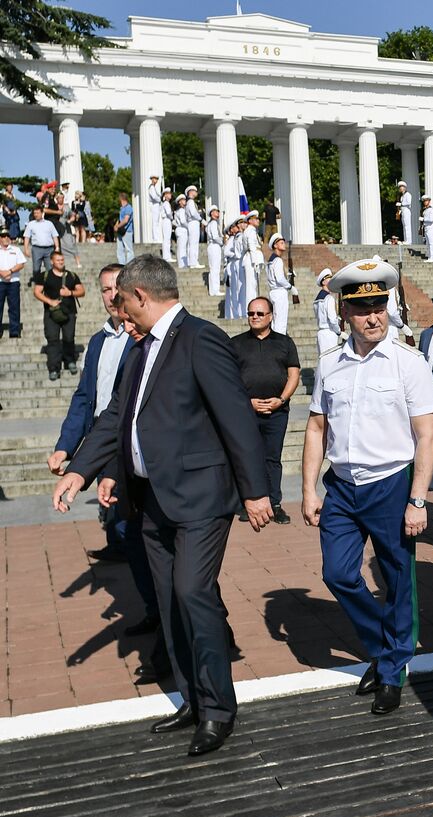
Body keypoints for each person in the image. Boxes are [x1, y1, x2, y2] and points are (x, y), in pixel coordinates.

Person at [52, 254, 273, 756]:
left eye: (123, 300)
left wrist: (256, 490)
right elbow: (116, 418)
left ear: (142, 296)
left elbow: (235, 415)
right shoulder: (139, 349)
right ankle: (193, 700)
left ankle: (218, 709)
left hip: (200, 496)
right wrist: (83, 470)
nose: (119, 310)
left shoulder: (201, 337)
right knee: (170, 599)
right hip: (151, 499)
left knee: (193, 592)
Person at [302, 258, 433, 716]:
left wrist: (418, 499)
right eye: (362, 309)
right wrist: (307, 489)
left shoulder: (408, 363)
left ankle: (392, 670)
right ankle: (385, 650)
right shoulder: (330, 366)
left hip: (391, 484)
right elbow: (317, 429)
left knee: (399, 581)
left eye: (379, 304)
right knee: (337, 574)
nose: (373, 316)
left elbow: (426, 436)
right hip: (341, 486)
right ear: (344, 313)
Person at [49, 262, 164, 664]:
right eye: (104, 289)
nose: (111, 296)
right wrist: (67, 448)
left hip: (132, 450)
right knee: (130, 537)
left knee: (149, 541)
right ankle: (157, 614)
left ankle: (174, 622)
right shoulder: (99, 341)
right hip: (103, 443)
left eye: (117, 288)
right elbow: (86, 399)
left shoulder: (146, 338)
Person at [231, 297, 300, 526]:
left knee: (272, 458)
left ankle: (275, 503)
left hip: (276, 412)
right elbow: (229, 379)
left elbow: (293, 375)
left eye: (260, 313)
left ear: (270, 316)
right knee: (247, 457)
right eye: (251, 313)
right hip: (245, 411)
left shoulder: (284, 343)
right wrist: (246, 402)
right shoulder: (236, 344)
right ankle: (248, 501)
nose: (255, 317)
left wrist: (281, 399)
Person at [33, 251, 84, 381]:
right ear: (51, 261)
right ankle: (54, 368)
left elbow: (81, 291)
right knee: (53, 340)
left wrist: (70, 293)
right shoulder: (44, 276)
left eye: (62, 260)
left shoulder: (72, 275)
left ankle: (69, 361)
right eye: (58, 260)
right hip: (51, 313)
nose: (61, 262)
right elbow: (37, 292)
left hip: (70, 312)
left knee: (69, 337)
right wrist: (50, 301)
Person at [0, 230, 25, 338]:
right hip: (0, 281)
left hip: (13, 282)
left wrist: (10, 271)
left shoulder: (16, 249)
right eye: (3, 236)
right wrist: (2, 273)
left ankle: (14, 330)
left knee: (14, 307)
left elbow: (21, 263)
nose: (6, 238)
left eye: (8, 236)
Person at [265, 235, 292, 334]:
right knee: (281, 322)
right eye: (281, 243)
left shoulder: (271, 260)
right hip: (279, 292)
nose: (284, 244)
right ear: (275, 245)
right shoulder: (278, 260)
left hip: (273, 292)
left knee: (275, 322)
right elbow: (280, 279)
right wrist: (290, 286)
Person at [23, 209, 59, 279]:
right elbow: (26, 237)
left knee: (50, 268)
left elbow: (54, 235)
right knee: (36, 268)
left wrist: (57, 247)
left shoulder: (49, 223)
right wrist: (26, 249)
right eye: (35, 213)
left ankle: (49, 284)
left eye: (37, 213)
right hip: (37, 249)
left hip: (49, 249)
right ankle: (37, 284)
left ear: (42, 213)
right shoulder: (30, 224)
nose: (36, 214)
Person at [312, 268, 340, 354]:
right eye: (329, 279)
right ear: (323, 282)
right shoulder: (329, 298)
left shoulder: (317, 300)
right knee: (331, 361)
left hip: (321, 333)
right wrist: (338, 331)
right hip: (329, 333)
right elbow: (332, 319)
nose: (331, 281)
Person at [223, 215, 245, 319]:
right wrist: (235, 255)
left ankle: (234, 314)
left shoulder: (235, 237)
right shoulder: (232, 239)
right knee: (234, 291)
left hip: (235, 263)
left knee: (235, 291)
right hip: (233, 264)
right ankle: (234, 314)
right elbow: (226, 252)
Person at [183, 187, 204, 268]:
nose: (196, 193)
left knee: (192, 243)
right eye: (195, 191)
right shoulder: (191, 202)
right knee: (193, 243)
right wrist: (201, 219)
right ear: (191, 192)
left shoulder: (190, 202)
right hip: (193, 222)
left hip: (192, 223)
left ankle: (192, 261)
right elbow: (193, 213)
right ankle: (193, 262)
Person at [205, 206, 223, 296]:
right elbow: (215, 237)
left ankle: (214, 290)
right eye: (216, 211)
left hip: (213, 246)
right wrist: (223, 241)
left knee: (215, 268)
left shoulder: (212, 223)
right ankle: (214, 290)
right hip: (214, 245)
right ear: (212, 213)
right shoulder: (213, 224)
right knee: (215, 268)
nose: (218, 213)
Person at [115, 192, 135, 265]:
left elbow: (126, 220)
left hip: (127, 231)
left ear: (122, 199)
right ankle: (121, 265)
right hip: (121, 231)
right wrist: (116, 225)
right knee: (120, 250)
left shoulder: (128, 208)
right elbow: (120, 219)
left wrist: (118, 226)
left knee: (129, 249)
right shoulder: (122, 208)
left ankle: (129, 265)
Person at [157, 189, 174, 262]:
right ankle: (166, 256)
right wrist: (172, 218)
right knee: (167, 239)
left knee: (167, 238)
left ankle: (167, 255)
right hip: (167, 220)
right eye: (169, 194)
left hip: (166, 220)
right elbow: (169, 213)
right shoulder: (166, 203)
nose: (170, 195)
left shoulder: (165, 203)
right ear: (165, 195)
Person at [420, 195, 433, 263]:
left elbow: (431, 219)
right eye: (424, 201)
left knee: (431, 242)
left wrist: (424, 219)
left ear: (429, 201)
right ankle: (430, 256)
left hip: (430, 227)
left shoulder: (431, 210)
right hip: (426, 227)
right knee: (427, 242)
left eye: (426, 200)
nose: (425, 202)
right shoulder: (424, 210)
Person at [145, 175, 161, 242]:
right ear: (152, 179)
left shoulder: (154, 187)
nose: (156, 180)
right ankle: (155, 238)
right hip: (154, 205)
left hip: (157, 205)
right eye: (155, 179)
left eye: (157, 179)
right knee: (155, 222)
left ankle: (156, 237)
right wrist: (160, 199)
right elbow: (154, 197)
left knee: (156, 222)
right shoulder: (151, 187)